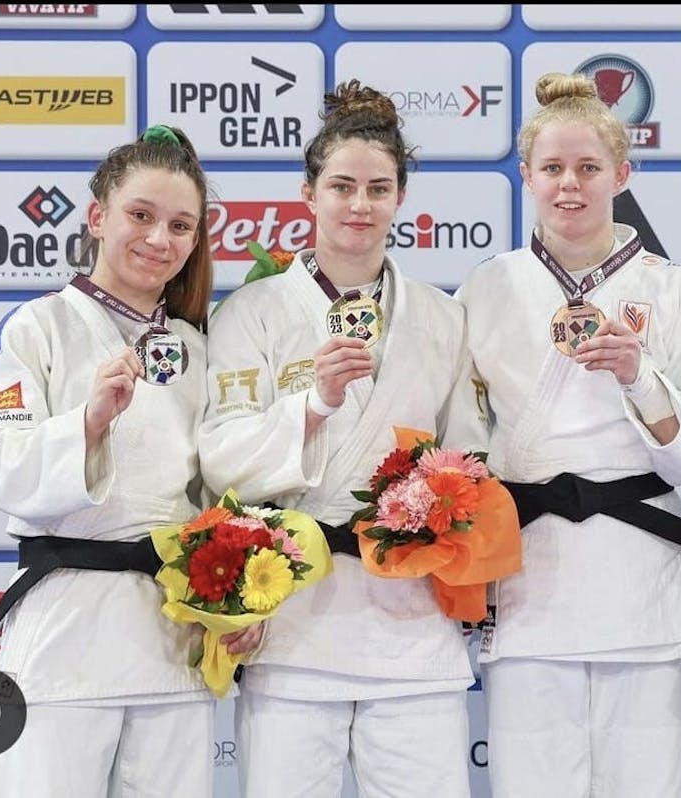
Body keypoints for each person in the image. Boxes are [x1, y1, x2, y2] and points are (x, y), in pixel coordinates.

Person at [198, 80, 477, 798]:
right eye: (342, 186)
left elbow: (471, 461)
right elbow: (221, 459)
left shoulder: (442, 318)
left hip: (412, 623)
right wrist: (313, 405)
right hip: (294, 622)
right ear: (309, 193)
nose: (360, 205)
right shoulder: (252, 312)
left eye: (378, 189)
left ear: (401, 198)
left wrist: (438, 511)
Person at [455, 72, 681, 798]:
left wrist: (640, 377)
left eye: (587, 168)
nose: (569, 185)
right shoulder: (485, 289)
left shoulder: (677, 292)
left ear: (621, 175)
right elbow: (459, 443)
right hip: (529, 578)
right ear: (526, 176)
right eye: (552, 168)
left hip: (642, 579)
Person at [0, 125, 242, 797]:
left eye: (180, 226)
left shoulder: (199, 348)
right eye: (140, 215)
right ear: (97, 217)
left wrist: (236, 602)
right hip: (66, 630)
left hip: (172, 634)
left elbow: (223, 488)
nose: (159, 239)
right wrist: (87, 424)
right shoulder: (35, 329)